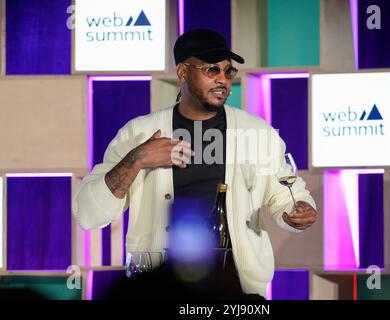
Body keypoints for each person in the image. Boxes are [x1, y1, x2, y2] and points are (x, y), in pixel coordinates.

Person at [73, 28, 317, 299]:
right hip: (156, 287)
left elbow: (286, 196)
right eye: (212, 70)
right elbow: (88, 213)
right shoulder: (140, 132)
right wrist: (137, 159)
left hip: (236, 287)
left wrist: (299, 211)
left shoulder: (258, 132)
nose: (223, 80)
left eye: (228, 72)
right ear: (182, 73)